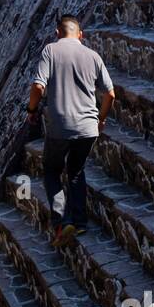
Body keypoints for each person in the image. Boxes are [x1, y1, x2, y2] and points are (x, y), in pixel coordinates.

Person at [27, 15, 116, 245]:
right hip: (88, 127)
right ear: (80, 34)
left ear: (58, 33)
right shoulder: (93, 55)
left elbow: (38, 85)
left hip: (60, 126)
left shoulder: (51, 51)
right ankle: (80, 223)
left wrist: (31, 109)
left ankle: (62, 223)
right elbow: (110, 93)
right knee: (76, 170)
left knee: (52, 170)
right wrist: (101, 118)